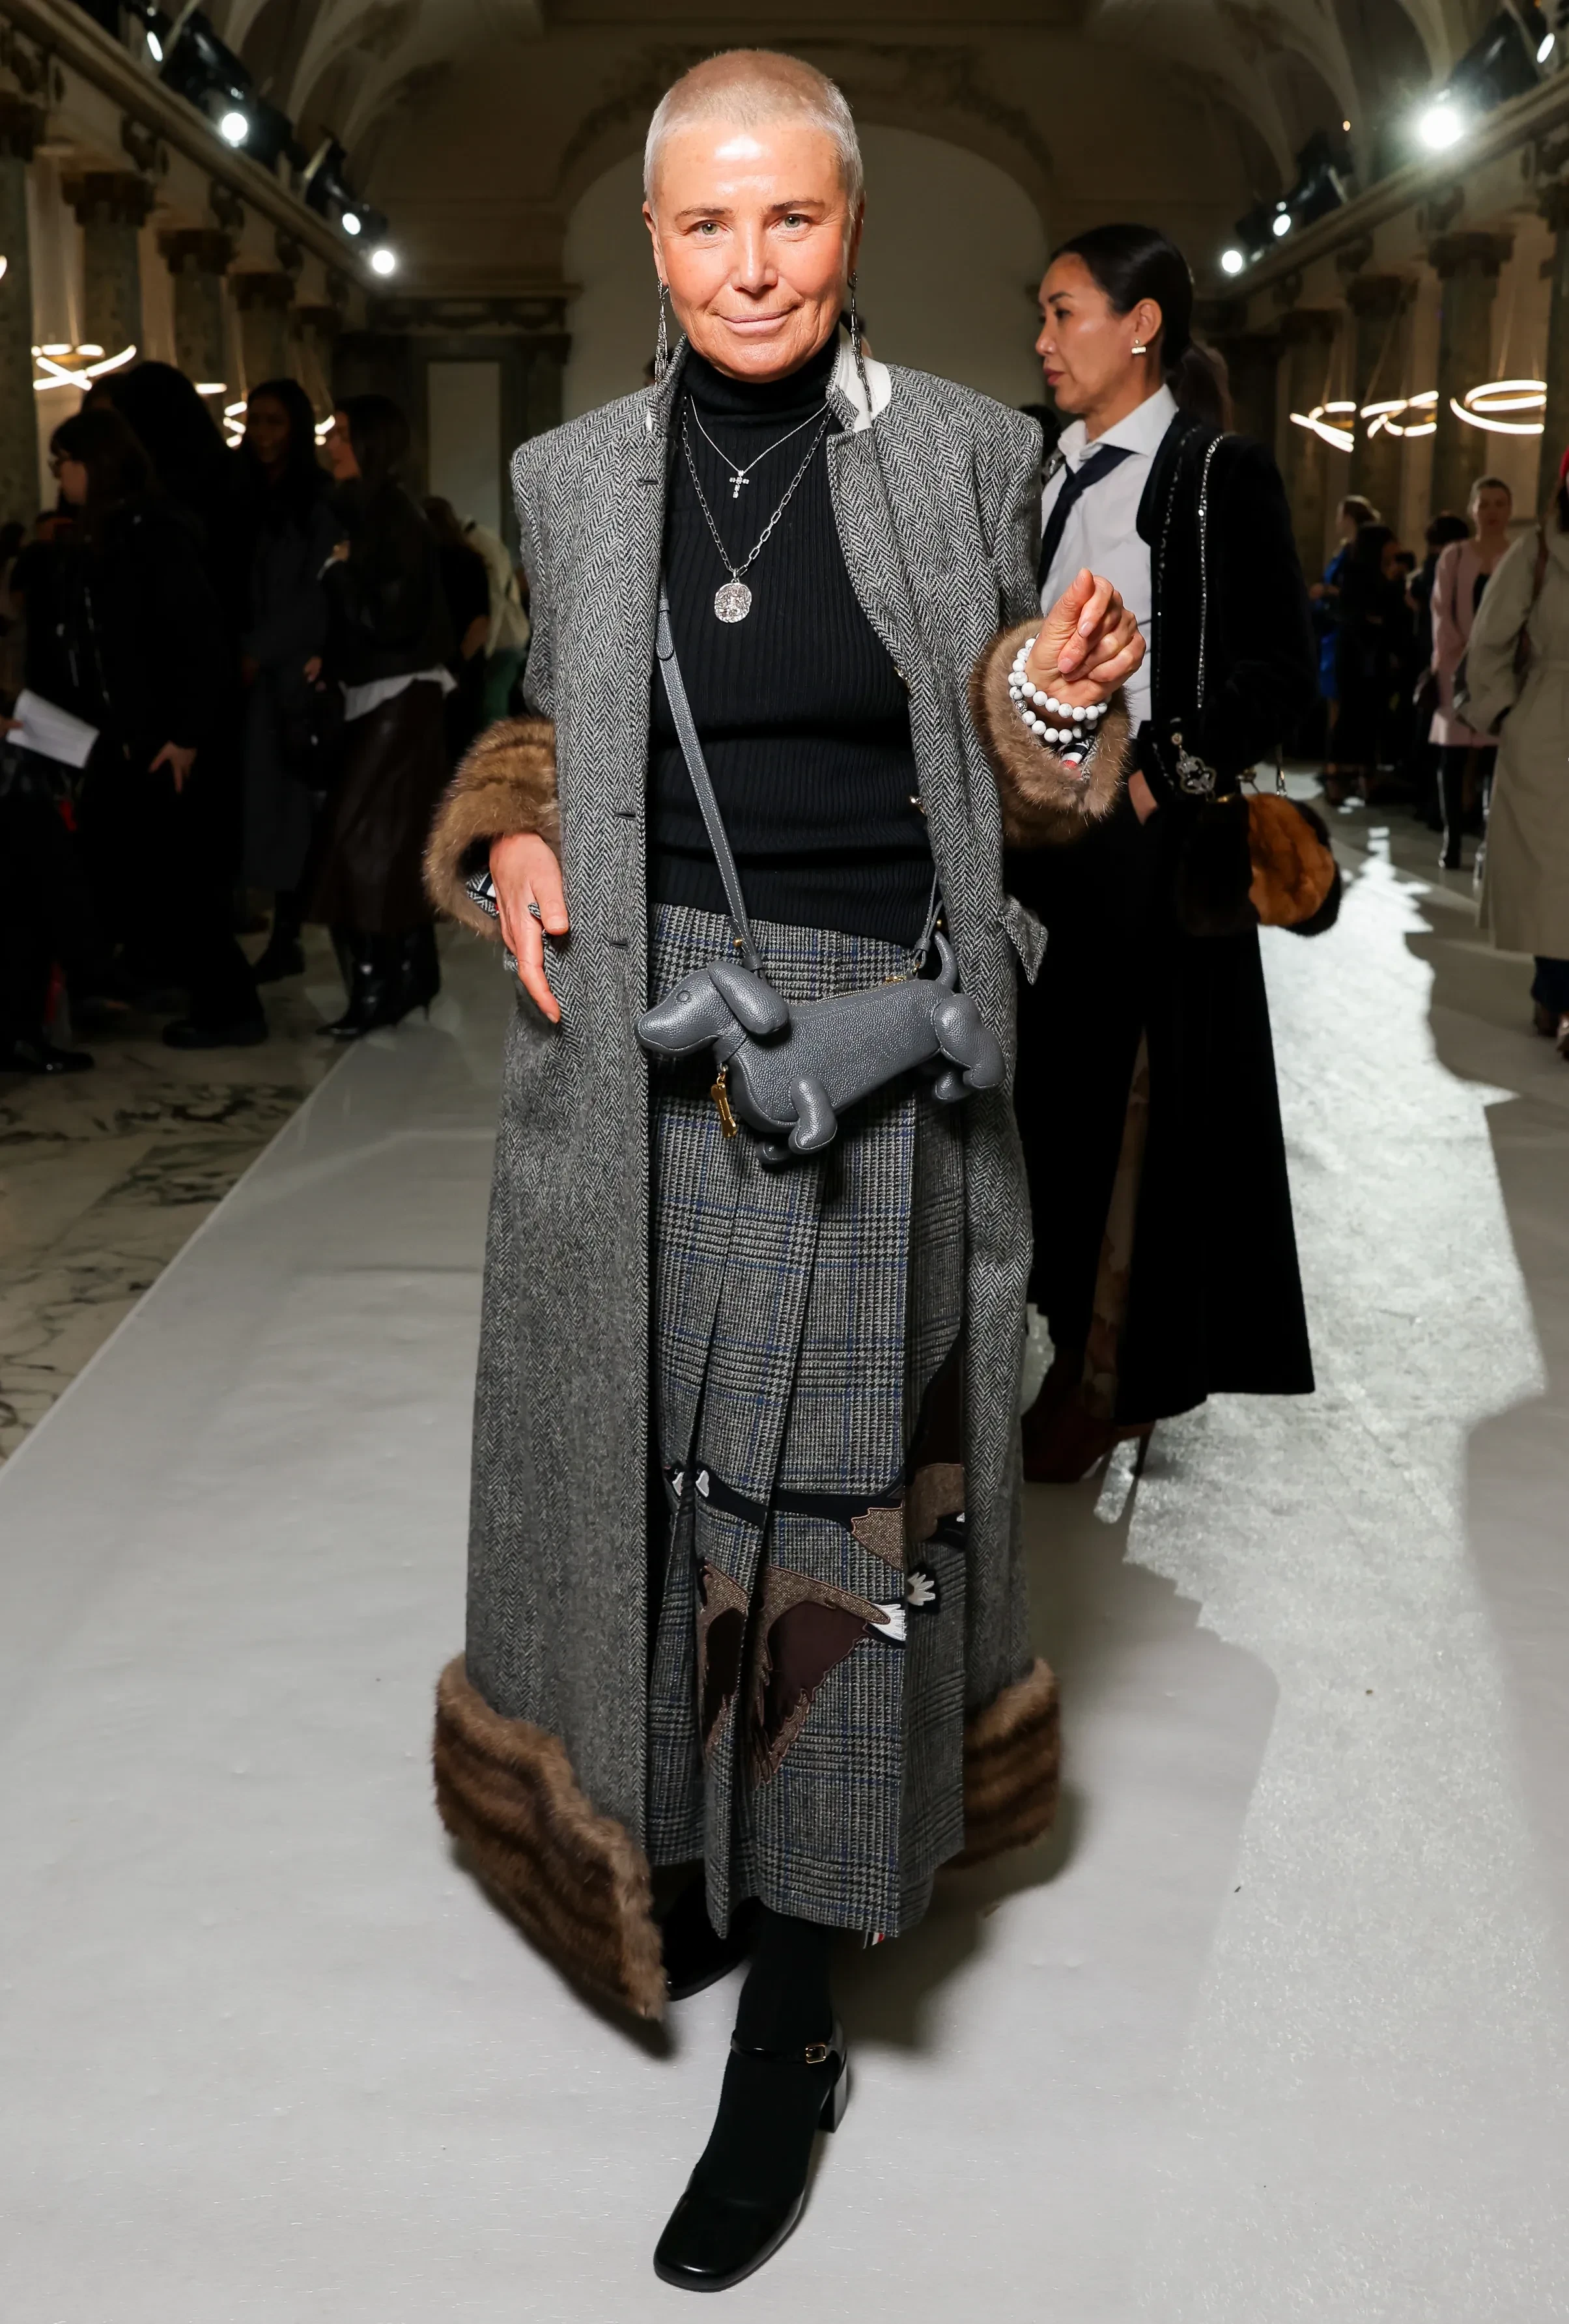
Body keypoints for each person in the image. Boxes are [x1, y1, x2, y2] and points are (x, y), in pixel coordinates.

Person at [421, 49, 1143, 2293]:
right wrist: (509, 834)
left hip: (869, 1056)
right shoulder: (572, 476)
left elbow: (1025, 751)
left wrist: (1055, 699)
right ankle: (690, 1860)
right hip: (635, 1047)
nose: (751, 265)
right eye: (707, 223)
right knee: (651, 1491)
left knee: (833, 1533)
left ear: (845, 226)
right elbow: (542, 719)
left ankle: (799, 2007)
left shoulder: (963, 454)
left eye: (792, 219)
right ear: (653, 243)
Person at [1012, 221, 1317, 1483]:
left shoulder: (1212, 473)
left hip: (1145, 855)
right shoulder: (1034, 470)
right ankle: (1064, 1341)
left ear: (1140, 326)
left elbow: (1279, 678)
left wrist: (1156, 774)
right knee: (1040, 1108)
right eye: (1039, 314)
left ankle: (1107, 1375)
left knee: (1127, 1120)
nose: (1041, 340)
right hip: (1036, 843)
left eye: (1063, 312)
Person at [48, 404, 264, 1048]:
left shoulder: (152, 535)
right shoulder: (111, 534)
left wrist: (187, 735)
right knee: (135, 869)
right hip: (126, 741)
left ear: (94, 464)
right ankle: (147, 976)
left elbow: (198, 641)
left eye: (64, 463)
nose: (59, 476)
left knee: (182, 882)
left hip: (165, 741)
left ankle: (231, 1008)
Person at [309, 396, 453, 1037]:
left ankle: (378, 987)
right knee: (386, 839)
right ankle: (410, 973)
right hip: (391, 692)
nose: (330, 444)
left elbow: (388, 618)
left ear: (371, 441)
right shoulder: (377, 511)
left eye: (341, 433)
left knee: (356, 839)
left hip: (399, 693)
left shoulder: (390, 514)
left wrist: (339, 574)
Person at [1463, 447, 1569, 1049]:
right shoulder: (1538, 550)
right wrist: (1504, 709)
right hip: (1548, 720)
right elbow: (1489, 638)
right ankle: (1556, 992)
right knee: (1549, 870)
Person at [236, 378, 337, 984]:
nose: (262, 434)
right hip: (253, 671)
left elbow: (316, 595)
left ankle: (287, 932)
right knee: (261, 805)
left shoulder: (316, 500)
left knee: (287, 808)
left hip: (290, 674)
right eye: (255, 421)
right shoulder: (244, 491)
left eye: (275, 422)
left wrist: (259, 649)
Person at [1429, 473, 1513, 871]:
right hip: (1457, 668)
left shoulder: (1518, 556)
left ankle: (1489, 836)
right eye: (1485, 504)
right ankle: (1453, 836)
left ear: (1510, 510)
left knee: (1496, 757)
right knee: (1454, 755)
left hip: (1502, 669)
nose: (1492, 511)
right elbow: (1440, 608)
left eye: (1500, 504)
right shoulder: (1455, 555)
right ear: (1472, 510)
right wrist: (1457, 650)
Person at [1329, 519, 1403, 800]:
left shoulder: (1386, 572)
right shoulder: (1357, 572)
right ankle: (1338, 777)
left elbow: (1386, 614)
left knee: (1372, 718)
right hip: (1357, 655)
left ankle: (1365, 777)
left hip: (1375, 655)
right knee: (1350, 715)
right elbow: (1361, 612)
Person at [1406, 512, 1471, 826]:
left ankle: (1428, 802)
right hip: (1446, 656)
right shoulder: (1452, 564)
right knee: (1447, 736)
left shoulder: (1433, 567)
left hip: (1430, 652)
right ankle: (1440, 806)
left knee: (1432, 731)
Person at [1312, 493, 1379, 792]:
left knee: (1344, 703)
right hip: (1332, 631)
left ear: (1349, 517)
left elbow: (1357, 594)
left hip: (1348, 633)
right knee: (1334, 702)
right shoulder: (1345, 549)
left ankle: (1340, 769)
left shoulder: (1361, 551)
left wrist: (1328, 591)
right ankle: (1337, 766)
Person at [422, 495, 492, 765]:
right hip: (465, 667)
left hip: (436, 666)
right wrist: (460, 661)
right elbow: (480, 623)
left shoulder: (426, 564)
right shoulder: (472, 561)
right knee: (464, 748)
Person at [460, 511, 531, 725]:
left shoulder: (478, 543)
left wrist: (487, 646)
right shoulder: (485, 538)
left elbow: (497, 599)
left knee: (491, 708)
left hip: (504, 639)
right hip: (510, 636)